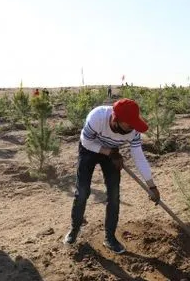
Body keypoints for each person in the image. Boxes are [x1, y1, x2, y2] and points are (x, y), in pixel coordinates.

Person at [63, 98, 161, 254]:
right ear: (117, 120)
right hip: (90, 149)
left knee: (114, 195)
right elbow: (85, 141)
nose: (132, 127)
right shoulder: (97, 117)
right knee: (82, 192)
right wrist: (109, 152)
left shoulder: (133, 130)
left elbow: (139, 157)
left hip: (112, 153)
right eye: (129, 123)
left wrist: (151, 185)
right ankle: (75, 229)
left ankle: (109, 237)